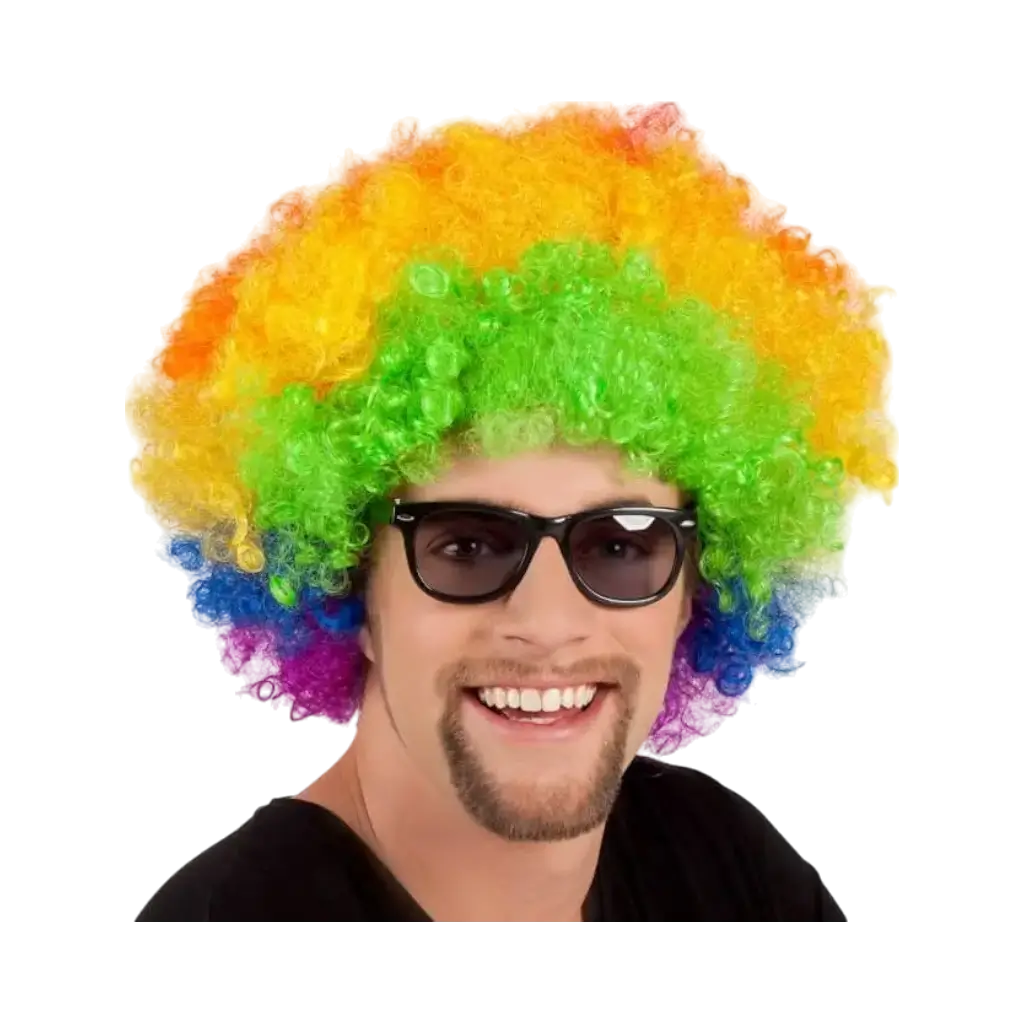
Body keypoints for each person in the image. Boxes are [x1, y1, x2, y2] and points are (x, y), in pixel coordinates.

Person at [130, 100, 897, 926]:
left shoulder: (725, 869)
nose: (547, 622)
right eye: (468, 546)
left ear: (693, 593)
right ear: (348, 583)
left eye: (621, 545)